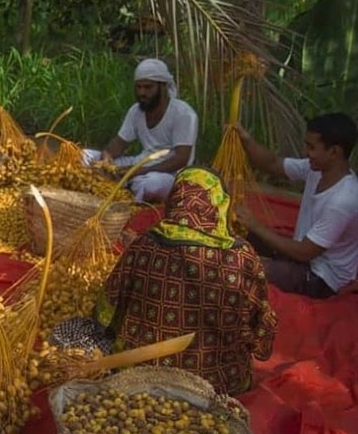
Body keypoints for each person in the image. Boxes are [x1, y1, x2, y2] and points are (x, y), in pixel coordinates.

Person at [52, 167, 276, 395]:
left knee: (70, 331)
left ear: (174, 200)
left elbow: (107, 310)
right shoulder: (241, 257)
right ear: (218, 206)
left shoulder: (145, 245)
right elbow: (261, 328)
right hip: (220, 382)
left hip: (141, 375)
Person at [235, 113, 358, 299]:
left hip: (321, 278)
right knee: (237, 232)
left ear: (334, 152)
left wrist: (255, 225)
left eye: (311, 147)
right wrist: (245, 139)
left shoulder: (343, 201)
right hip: (302, 254)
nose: (304, 151)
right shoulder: (316, 169)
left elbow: (304, 252)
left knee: (243, 267)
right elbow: (273, 164)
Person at [83, 58, 198, 203]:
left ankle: (125, 184)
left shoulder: (183, 114)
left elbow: (181, 159)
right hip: (138, 166)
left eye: (148, 87)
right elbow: (119, 143)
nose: (142, 92)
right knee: (84, 156)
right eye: (138, 87)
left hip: (168, 175)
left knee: (150, 186)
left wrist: (139, 171)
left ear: (163, 87)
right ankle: (124, 182)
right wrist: (106, 157)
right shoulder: (136, 111)